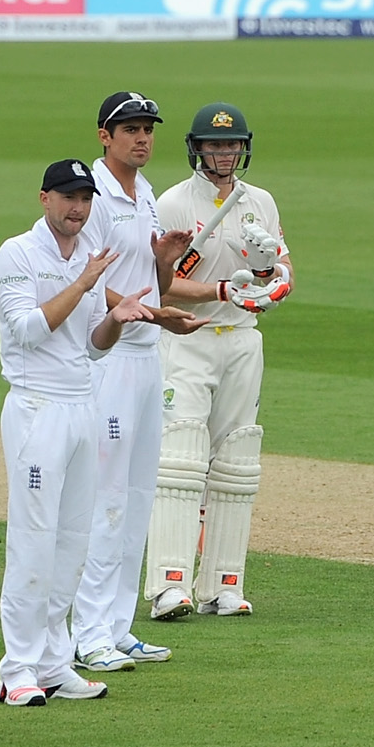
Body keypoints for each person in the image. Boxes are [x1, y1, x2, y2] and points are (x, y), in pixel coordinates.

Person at [0, 159, 169, 708]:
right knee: (33, 541)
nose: (78, 207)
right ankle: (16, 669)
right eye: (67, 197)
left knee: (72, 542)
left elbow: (91, 345)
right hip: (36, 408)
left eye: (85, 198)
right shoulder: (17, 253)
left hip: (80, 405)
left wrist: (120, 316)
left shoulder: (86, 260)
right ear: (44, 199)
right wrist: (86, 282)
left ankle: (53, 660)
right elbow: (26, 330)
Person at [148, 102, 292, 619]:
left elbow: (282, 271)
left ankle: (223, 586)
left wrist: (270, 279)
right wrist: (223, 288)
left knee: (234, 460)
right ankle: (169, 584)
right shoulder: (172, 204)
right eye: (214, 145)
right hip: (188, 336)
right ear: (197, 148)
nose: (225, 153)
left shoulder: (261, 202)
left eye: (232, 144)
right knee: (181, 458)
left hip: (243, 341)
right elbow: (160, 284)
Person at [77, 90, 197, 670]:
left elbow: (154, 284)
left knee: (139, 492)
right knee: (106, 497)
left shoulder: (145, 192)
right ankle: (86, 632)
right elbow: (84, 281)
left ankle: (117, 625)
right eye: (130, 129)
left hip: (147, 354)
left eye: (149, 128)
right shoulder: (93, 195)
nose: (142, 137)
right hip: (111, 359)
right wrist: (149, 310)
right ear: (105, 135)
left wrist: (165, 262)